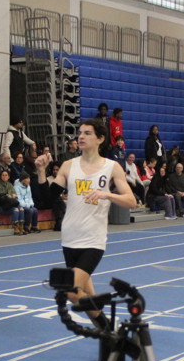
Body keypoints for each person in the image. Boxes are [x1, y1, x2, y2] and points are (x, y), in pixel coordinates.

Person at [33, 119, 135, 330]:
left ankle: (108, 328)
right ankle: (108, 333)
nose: (81, 136)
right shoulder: (68, 166)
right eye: (80, 133)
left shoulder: (111, 167)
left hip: (93, 239)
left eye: (87, 133)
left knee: (71, 291)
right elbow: (46, 201)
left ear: (100, 139)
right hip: (70, 238)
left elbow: (131, 201)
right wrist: (41, 172)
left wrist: (106, 194)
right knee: (87, 295)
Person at [0, 168, 23, 233]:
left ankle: (21, 226)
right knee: (15, 210)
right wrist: (9, 196)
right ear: (0, 176)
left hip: (10, 204)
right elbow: (0, 198)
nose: (4, 176)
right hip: (0, 206)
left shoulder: (10, 185)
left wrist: (12, 196)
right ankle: (15, 227)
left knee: (21, 208)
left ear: (8, 177)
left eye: (6, 175)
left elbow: (15, 196)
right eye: (3, 175)